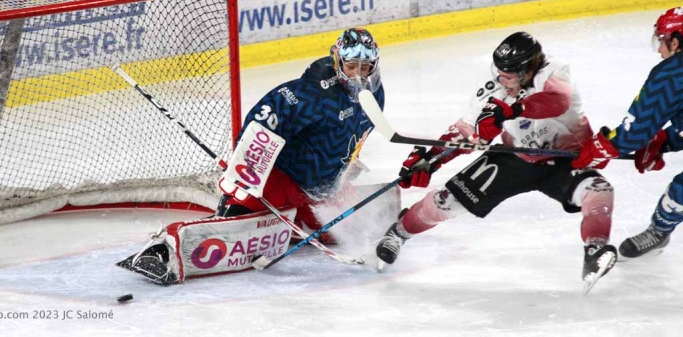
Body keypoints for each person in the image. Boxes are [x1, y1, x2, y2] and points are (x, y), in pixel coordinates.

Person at [119, 28, 386, 284]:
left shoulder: (375, 95)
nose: (359, 75)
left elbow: (354, 141)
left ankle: (292, 221)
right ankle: (163, 249)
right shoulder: (308, 94)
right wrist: (245, 171)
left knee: (344, 231)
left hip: (321, 191)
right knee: (234, 228)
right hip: (280, 181)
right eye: (352, 66)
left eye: (366, 67)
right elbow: (260, 125)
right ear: (338, 61)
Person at [375, 31, 618, 289]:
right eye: (499, 72)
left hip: (565, 160)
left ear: (528, 70)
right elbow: (466, 132)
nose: (501, 78)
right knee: (445, 202)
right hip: (514, 157)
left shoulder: (554, 72)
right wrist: (431, 160)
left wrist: (513, 110)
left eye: (508, 75)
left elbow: (557, 101)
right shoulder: (494, 87)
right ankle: (399, 232)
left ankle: (594, 250)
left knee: (599, 190)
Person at [571, 7, 683, 259]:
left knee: (680, 192)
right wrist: (665, 141)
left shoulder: (673, 73)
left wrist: (605, 146)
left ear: (675, 41)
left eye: (663, 42)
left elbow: (636, 133)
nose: (660, 50)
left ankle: (659, 231)